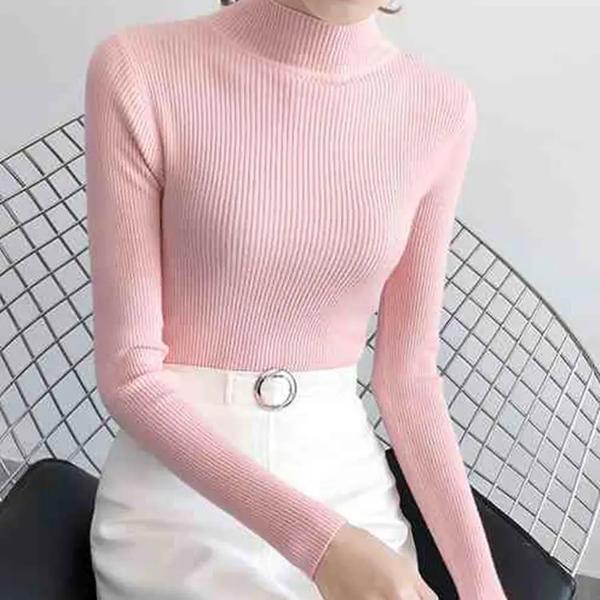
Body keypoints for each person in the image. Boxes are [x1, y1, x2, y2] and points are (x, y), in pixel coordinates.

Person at [84, 0, 507, 598]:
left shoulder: (439, 107)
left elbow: (409, 379)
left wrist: (485, 591)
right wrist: (323, 545)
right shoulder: (139, 67)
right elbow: (130, 376)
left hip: (346, 478)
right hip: (182, 488)